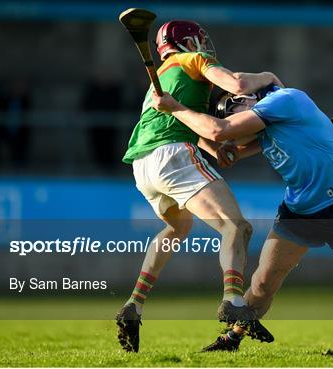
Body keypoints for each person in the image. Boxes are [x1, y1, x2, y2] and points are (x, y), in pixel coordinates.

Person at [151, 85, 333, 359]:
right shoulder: (265, 130)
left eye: (229, 112)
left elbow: (219, 130)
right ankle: (232, 339)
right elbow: (225, 143)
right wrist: (220, 149)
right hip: (299, 211)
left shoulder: (285, 99)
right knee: (263, 282)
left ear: (243, 100)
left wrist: (175, 108)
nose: (233, 125)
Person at [115, 20, 282, 353]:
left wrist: (215, 149)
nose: (205, 44)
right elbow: (236, 84)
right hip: (172, 155)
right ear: (187, 41)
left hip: (143, 166)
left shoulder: (161, 79)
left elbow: (178, 121)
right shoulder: (192, 61)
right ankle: (233, 300)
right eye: (200, 39)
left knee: (178, 227)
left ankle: (133, 305)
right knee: (236, 226)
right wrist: (268, 77)